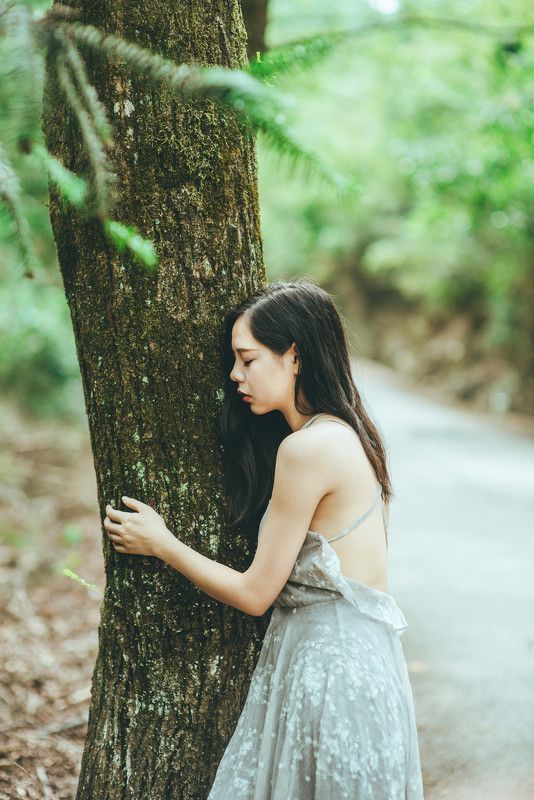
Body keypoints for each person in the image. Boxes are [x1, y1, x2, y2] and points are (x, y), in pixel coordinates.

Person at [104, 279, 425, 799]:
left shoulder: (307, 450)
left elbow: (256, 594)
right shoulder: (350, 434)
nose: (235, 374)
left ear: (294, 356)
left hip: (331, 676)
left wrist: (161, 542)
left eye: (247, 359)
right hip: (365, 668)